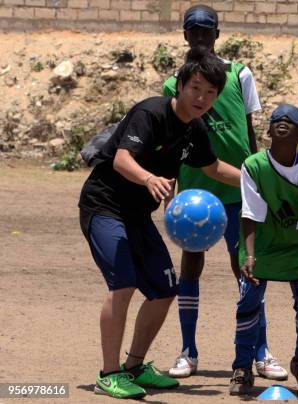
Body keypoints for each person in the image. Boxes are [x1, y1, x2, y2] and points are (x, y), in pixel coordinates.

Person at [79, 49, 240, 399]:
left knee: (165, 290)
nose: (202, 98)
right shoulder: (150, 112)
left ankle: (135, 366)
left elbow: (213, 168)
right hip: (104, 206)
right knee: (122, 285)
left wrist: (257, 182)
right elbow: (122, 160)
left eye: (210, 93)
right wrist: (150, 179)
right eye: (196, 88)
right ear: (180, 86)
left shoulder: (195, 128)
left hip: (137, 216)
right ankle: (109, 375)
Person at [162, 4, 286, 380]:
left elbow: (247, 131)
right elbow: (169, 137)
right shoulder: (174, 83)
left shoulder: (239, 74)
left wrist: (258, 179)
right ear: (185, 35)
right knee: (191, 265)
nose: (200, 36)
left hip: (237, 190)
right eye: (193, 30)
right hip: (195, 193)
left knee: (247, 267)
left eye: (207, 30)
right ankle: (187, 351)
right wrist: (169, 180)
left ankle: (260, 351)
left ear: (217, 34)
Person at [229, 104, 298, 397]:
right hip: (261, 246)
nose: (282, 122)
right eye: (276, 120)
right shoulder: (254, 165)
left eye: (291, 121)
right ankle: (243, 367)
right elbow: (250, 213)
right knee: (248, 304)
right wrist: (249, 257)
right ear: (268, 131)